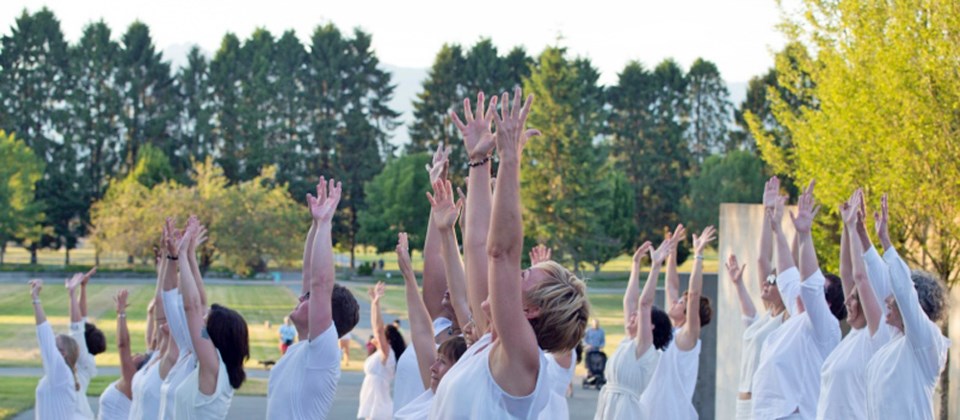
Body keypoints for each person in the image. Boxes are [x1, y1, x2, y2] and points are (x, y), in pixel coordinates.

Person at [430, 88, 590, 419]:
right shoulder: (491, 341)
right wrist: (478, 161)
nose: (514, 273)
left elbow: (500, 253)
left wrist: (511, 159)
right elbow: (477, 245)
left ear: (531, 309)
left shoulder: (522, 360)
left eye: (524, 275)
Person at [266, 176, 360, 419]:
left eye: (308, 298)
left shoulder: (324, 352)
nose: (300, 298)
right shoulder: (302, 350)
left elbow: (320, 283)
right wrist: (316, 225)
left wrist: (326, 222)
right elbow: (310, 276)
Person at [752, 180, 846, 420]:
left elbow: (809, 284)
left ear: (828, 305)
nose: (803, 292)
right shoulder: (798, 313)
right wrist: (776, 226)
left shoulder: (825, 328)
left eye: (815, 292)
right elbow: (786, 274)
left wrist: (805, 236)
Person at [865, 193, 951, 419]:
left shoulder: (925, 342)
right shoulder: (898, 338)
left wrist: (886, 241)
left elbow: (903, 290)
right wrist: (861, 234)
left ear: (915, 305)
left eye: (894, 298)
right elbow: (881, 278)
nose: (886, 300)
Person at [816, 189, 891, 419]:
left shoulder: (877, 335)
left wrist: (855, 229)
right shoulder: (855, 335)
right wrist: (846, 228)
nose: (847, 300)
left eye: (854, 298)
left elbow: (860, 277)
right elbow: (847, 272)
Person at [167, 217, 250, 419]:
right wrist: (189, 255)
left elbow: (192, 307)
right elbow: (200, 303)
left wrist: (183, 255)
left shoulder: (213, 365)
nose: (201, 319)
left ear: (216, 333)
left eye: (206, 320)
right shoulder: (212, 364)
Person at [594, 235, 678, 420]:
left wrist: (656, 266)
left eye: (637, 316)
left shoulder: (644, 349)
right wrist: (635, 264)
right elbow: (630, 301)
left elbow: (644, 303)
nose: (632, 315)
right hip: (608, 407)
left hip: (626, 413)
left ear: (651, 326)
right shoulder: (628, 342)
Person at [728, 176, 788, 420]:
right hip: (743, 402)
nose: (766, 282)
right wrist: (767, 212)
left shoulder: (786, 319)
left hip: (763, 404)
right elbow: (762, 259)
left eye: (774, 281)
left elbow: (777, 262)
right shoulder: (767, 316)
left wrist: (779, 228)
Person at [641, 226, 716, 420]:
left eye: (681, 303)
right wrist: (671, 253)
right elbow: (671, 286)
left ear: (689, 312)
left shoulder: (687, 338)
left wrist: (698, 255)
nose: (674, 302)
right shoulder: (670, 331)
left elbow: (693, 295)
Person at [394, 231, 469, 419]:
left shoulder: (470, 347)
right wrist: (408, 274)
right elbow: (435, 255)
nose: (433, 367)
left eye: (455, 282)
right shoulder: (440, 324)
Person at [30, 277, 83, 419]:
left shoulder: (61, 373)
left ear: (63, 353)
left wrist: (35, 298)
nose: (51, 347)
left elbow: (44, 335)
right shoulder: (59, 374)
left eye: (55, 345)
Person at [98, 289, 148, 420]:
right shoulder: (134, 383)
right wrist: (151, 312)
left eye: (139, 355)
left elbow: (123, 345)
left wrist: (121, 313)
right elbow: (151, 341)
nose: (136, 353)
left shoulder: (131, 380)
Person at [358, 281, 405, 420]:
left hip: (380, 410)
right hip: (373, 409)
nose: (378, 337)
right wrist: (373, 303)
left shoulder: (387, 354)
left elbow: (378, 329)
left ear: (388, 341)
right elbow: (377, 329)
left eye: (383, 337)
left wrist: (376, 303)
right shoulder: (380, 354)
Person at [66, 267, 104, 420]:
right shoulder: (86, 356)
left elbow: (76, 323)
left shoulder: (81, 357)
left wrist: (72, 293)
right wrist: (83, 287)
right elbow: (82, 318)